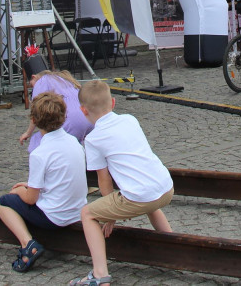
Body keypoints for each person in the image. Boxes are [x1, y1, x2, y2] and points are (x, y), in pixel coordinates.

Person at [71, 79, 174, 286]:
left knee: (88, 214)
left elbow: (104, 179)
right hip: (165, 187)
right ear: (114, 103)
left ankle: (100, 275)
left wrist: (110, 216)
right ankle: (175, 247)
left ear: (83, 111)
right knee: (148, 200)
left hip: (141, 196)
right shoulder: (130, 119)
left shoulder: (93, 139)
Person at [0, 92, 88, 273]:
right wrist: (29, 184)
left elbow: (30, 199)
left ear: (35, 120)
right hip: (78, 209)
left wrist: (21, 190)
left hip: (55, 216)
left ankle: (27, 244)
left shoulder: (40, 153)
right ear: (64, 116)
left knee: (3, 202)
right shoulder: (74, 142)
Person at [21, 70, 92, 152]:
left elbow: (36, 110)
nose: (33, 87)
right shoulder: (64, 78)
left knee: (38, 141)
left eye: (31, 84)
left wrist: (28, 133)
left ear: (34, 77)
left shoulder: (41, 81)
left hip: (72, 120)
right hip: (88, 118)